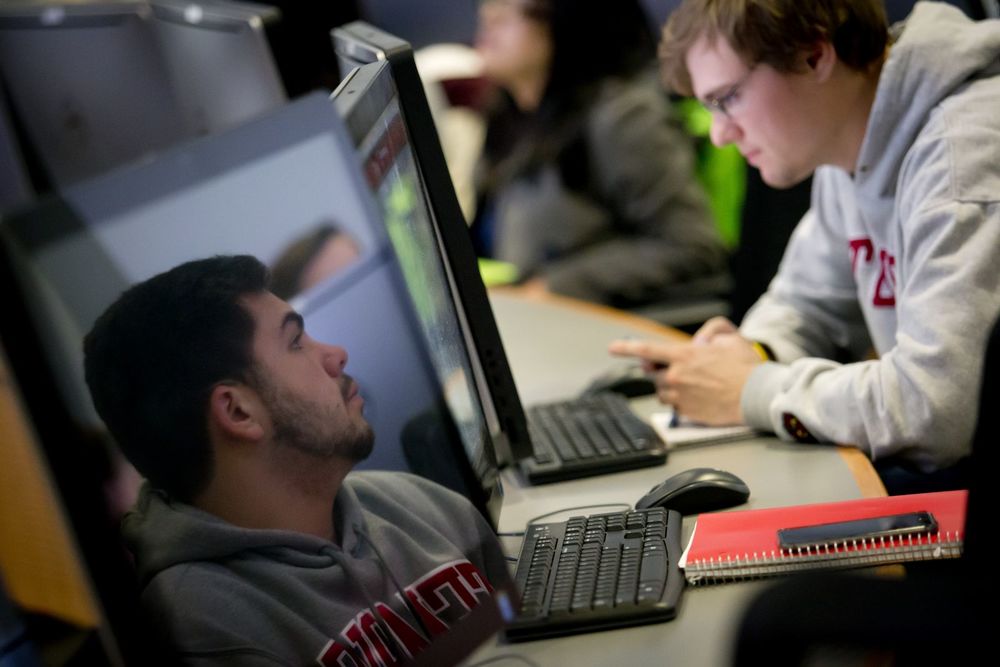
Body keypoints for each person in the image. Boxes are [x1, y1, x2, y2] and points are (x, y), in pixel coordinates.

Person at [610, 0, 1000, 487]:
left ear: (814, 56)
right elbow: (807, 303)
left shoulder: (962, 154)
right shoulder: (852, 141)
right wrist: (749, 353)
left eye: (727, 98)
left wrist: (753, 390)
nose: (719, 134)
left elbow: (938, 409)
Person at [82, 255, 509, 665]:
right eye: (296, 342)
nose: (335, 354)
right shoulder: (205, 630)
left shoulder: (418, 503)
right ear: (238, 412)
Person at [471, 0, 727, 308]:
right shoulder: (508, 118)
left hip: (594, 330)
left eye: (516, 8)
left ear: (566, 20)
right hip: (526, 318)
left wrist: (556, 285)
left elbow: (692, 246)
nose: (490, 16)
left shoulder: (623, 117)